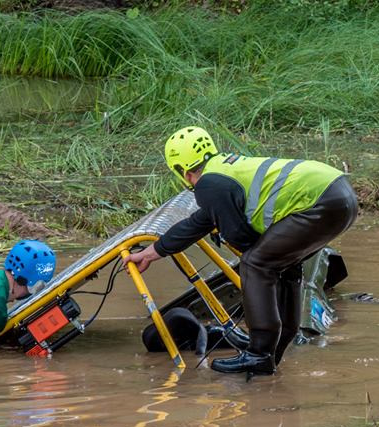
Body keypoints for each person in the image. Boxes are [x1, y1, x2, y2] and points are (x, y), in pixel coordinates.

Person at [124, 127, 358, 376]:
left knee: (254, 263)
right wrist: (151, 253)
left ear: (182, 170)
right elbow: (199, 223)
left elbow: (240, 237)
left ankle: (259, 354)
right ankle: (274, 348)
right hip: (339, 194)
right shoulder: (223, 169)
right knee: (281, 264)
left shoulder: (209, 184)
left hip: (319, 200)